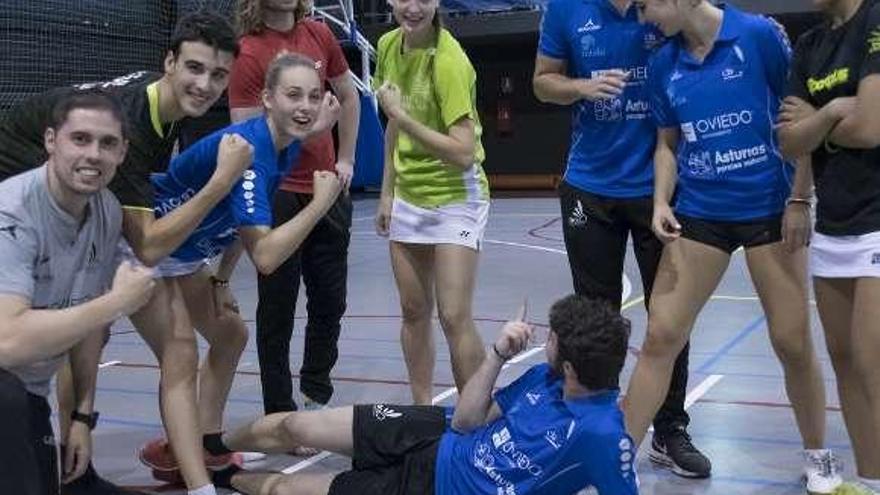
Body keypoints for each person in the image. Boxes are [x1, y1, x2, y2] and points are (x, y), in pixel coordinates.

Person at [0, 12, 244, 495]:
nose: (205, 84)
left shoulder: (162, 110)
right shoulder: (131, 123)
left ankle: (86, 459)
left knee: (131, 336)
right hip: (27, 205)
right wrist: (221, 182)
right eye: (194, 68)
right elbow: (149, 245)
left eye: (218, 74)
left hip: (77, 209)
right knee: (34, 345)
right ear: (169, 62)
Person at [622, 0, 840, 491]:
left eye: (646, 5)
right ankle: (617, 458)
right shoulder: (662, 64)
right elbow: (666, 144)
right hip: (701, 212)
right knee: (660, 336)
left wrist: (800, 198)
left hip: (769, 207)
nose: (643, 18)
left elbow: (799, 118)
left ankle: (819, 456)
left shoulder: (759, 37)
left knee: (792, 341)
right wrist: (660, 200)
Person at [135, 53, 343, 494]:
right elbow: (266, 256)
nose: (305, 106)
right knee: (180, 352)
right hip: (148, 246)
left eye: (312, 95)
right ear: (267, 98)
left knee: (231, 335)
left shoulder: (282, 144)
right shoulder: (254, 152)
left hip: (189, 255)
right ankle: (196, 480)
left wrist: (222, 279)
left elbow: (238, 225)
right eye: (292, 95)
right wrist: (323, 203)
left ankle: (207, 443)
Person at [198, 295, 638, 495]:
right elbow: (466, 421)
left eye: (553, 339)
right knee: (296, 425)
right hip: (435, 433)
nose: (546, 339)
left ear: (571, 368)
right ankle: (210, 448)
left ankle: (222, 481)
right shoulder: (547, 378)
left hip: (434, 488)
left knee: (283, 490)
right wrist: (498, 354)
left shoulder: (603, 434)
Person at [532, 0, 708, 477]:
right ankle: (596, 432)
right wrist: (581, 86)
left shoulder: (662, 6)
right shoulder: (565, 10)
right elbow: (542, 82)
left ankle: (670, 429)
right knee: (594, 319)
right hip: (590, 186)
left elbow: (707, 26)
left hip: (661, 188)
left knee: (669, 318)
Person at [0, 92, 156, 495]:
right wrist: (116, 302)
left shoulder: (106, 211)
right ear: (52, 141)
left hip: (27, 392)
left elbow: (89, 328)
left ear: (123, 152)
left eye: (107, 144)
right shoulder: (12, 212)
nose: (94, 155)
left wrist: (82, 418)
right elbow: (8, 343)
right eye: (80, 139)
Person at [230, 0, 361, 417]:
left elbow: (348, 94)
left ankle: (315, 390)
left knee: (330, 300)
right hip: (278, 192)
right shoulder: (247, 52)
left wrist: (346, 159)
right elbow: (250, 140)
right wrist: (315, 128)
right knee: (277, 309)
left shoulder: (320, 34)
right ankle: (279, 411)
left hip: (327, 189)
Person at [778, 0, 880, 492]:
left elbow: (871, 127)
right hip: (834, 225)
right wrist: (838, 109)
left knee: (870, 360)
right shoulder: (809, 46)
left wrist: (816, 122)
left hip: (878, 218)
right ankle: (869, 476)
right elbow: (788, 141)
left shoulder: (875, 22)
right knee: (844, 361)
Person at [373, 0, 490, 405]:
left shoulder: (449, 61)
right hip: (409, 195)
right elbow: (391, 127)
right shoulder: (388, 46)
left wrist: (404, 119)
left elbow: (462, 151)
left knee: (454, 315)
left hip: (456, 195)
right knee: (412, 309)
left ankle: (473, 416)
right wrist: (387, 193)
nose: (413, 7)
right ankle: (422, 410)